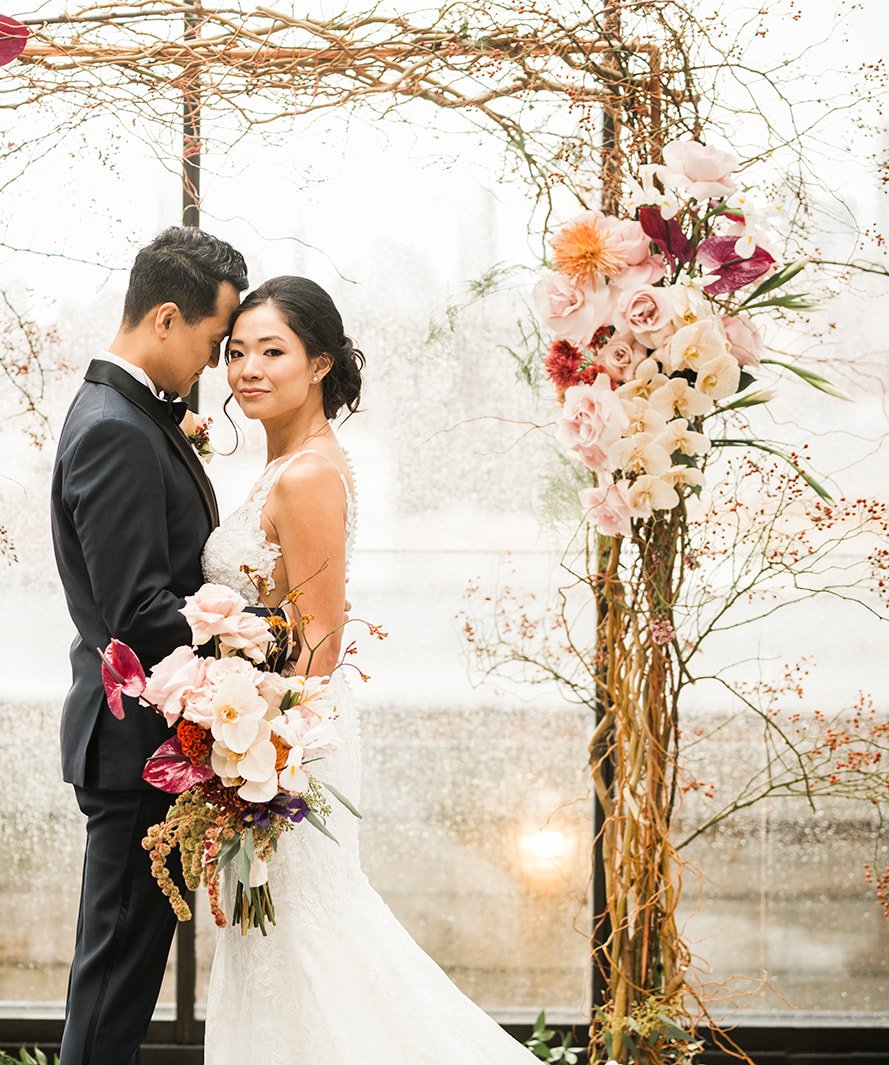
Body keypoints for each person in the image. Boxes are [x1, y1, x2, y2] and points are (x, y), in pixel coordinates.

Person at [200, 275, 540, 1063]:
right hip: (268, 724)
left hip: (291, 738)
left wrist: (276, 754)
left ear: (319, 362)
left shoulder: (310, 471)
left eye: (272, 351)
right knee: (274, 930)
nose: (248, 368)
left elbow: (322, 626)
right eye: (237, 352)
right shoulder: (285, 464)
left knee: (309, 926)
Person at [49, 226, 247, 1065]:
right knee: (114, 989)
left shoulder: (128, 415)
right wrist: (255, 633)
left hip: (145, 742)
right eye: (212, 340)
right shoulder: (115, 428)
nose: (211, 365)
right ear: (166, 318)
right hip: (135, 746)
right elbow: (137, 610)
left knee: (120, 981)